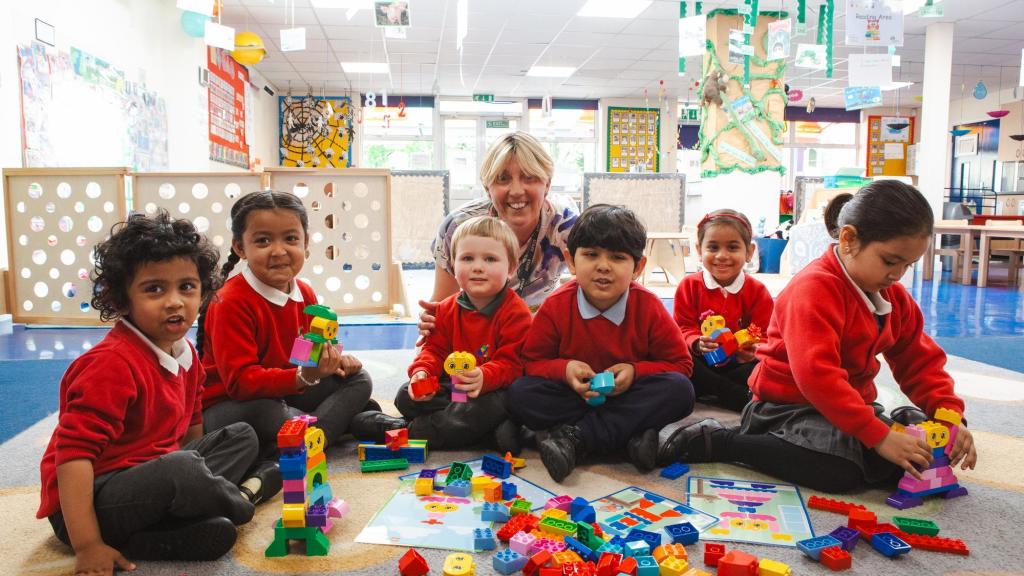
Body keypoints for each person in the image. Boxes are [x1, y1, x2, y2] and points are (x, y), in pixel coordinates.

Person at [658, 181, 978, 493]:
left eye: (908, 264)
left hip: (847, 406)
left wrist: (947, 414)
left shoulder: (892, 296)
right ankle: (719, 442)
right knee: (840, 472)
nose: (897, 275)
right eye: (890, 261)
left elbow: (919, 360)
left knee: (910, 462)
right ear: (849, 239)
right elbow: (817, 376)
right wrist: (879, 436)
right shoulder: (814, 289)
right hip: (786, 407)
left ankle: (900, 425)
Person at [37, 211, 271, 573]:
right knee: (182, 469)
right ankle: (241, 500)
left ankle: (168, 524)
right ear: (121, 299)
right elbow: (72, 459)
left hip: (152, 474)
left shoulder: (187, 353)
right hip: (89, 504)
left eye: (187, 287)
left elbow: (191, 427)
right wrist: (88, 544)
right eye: (154, 289)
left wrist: (194, 467)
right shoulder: (110, 365)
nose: (175, 301)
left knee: (240, 437)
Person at [197, 191, 403, 456]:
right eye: (262, 241)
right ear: (240, 248)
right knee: (268, 412)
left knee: (359, 379)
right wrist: (305, 376)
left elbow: (308, 352)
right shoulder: (230, 301)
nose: (279, 250)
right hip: (236, 404)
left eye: (291, 239)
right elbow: (241, 383)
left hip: (289, 389)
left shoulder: (304, 293)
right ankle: (335, 428)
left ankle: (310, 433)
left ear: (306, 243)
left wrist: (334, 363)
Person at [508, 204, 695, 482]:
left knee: (681, 391)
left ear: (638, 267)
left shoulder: (649, 306)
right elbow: (531, 363)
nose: (603, 266)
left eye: (618, 257)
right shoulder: (556, 305)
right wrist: (566, 370)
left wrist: (635, 372)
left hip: (628, 396)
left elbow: (681, 366)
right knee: (519, 393)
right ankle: (629, 437)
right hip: (575, 397)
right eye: (591, 255)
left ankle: (576, 437)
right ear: (571, 261)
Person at [419, 131, 580, 341]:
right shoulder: (458, 226)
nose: (516, 190)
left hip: (539, 334)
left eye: (528, 177)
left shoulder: (566, 226)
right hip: (475, 334)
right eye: (503, 179)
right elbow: (442, 302)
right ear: (487, 188)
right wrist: (430, 323)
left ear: (547, 184)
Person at [396, 216, 533, 452]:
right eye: (467, 258)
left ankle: (411, 432)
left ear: (511, 268)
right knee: (404, 396)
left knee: (484, 408)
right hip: (455, 391)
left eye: (490, 259)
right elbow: (434, 350)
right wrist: (422, 372)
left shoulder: (516, 312)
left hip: (491, 392)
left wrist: (484, 375)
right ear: (453, 265)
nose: (477, 267)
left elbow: (514, 364)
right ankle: (487, 433)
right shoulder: (446, 309)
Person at [673, 209, 773, 411]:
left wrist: (753, 350)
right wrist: (696, 342)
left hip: (739, 366)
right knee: (679, 362)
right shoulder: (689, 286)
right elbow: (681, 328)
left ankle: (716, 390)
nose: (722, 256)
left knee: (768, 367)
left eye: (733, 247)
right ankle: (730, 393)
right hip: (701, 363)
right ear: (699, 250)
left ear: (749, 252)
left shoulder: (757, 291)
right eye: (713, 247)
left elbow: (764, 332)